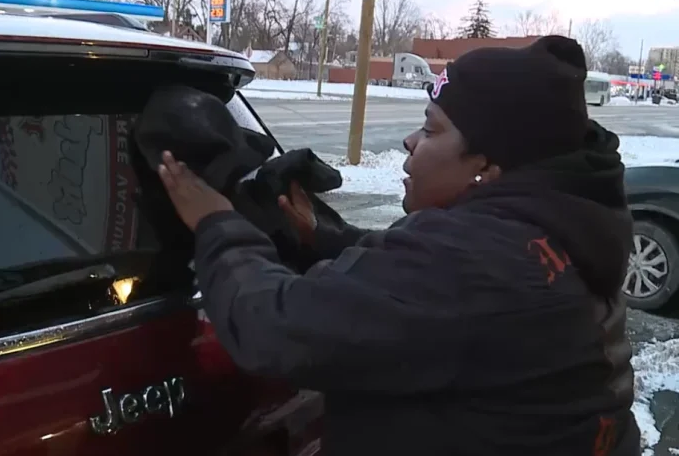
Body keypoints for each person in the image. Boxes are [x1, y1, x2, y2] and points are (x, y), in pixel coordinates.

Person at [157, 35, 640, 456]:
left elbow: (273, 327)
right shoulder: (555, 227)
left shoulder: (474, 263)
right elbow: (432, 297)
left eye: (431, 129)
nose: (411, 141)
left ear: (488, 167)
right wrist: (330, 241)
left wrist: (216, 222)